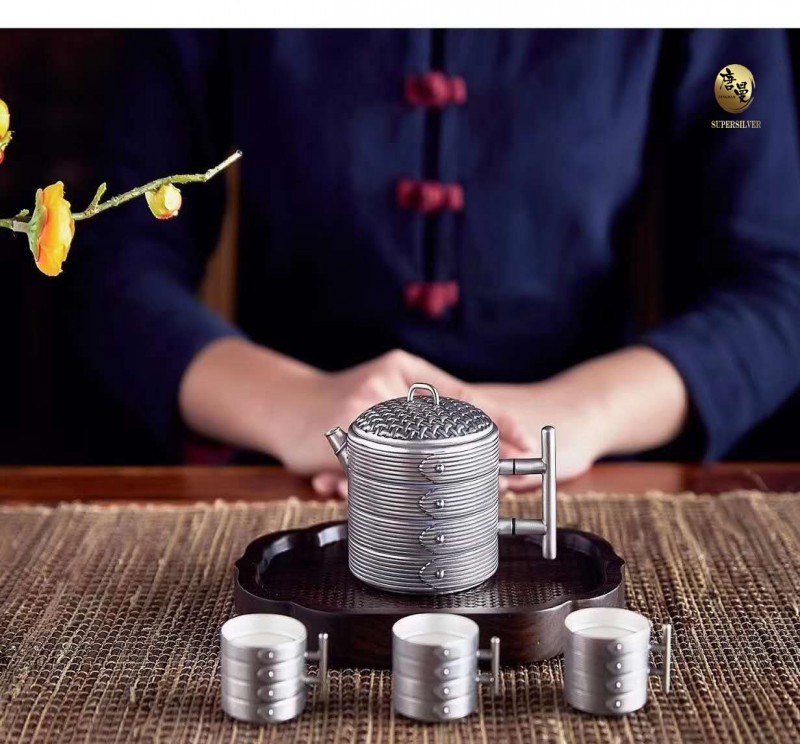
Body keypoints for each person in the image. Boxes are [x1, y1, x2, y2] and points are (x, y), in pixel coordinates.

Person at [76, 30, 800, 496]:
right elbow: (116, 260)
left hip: (587, 475)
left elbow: (779, 283)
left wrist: (583, 411)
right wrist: (292, 404)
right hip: (294, 473)